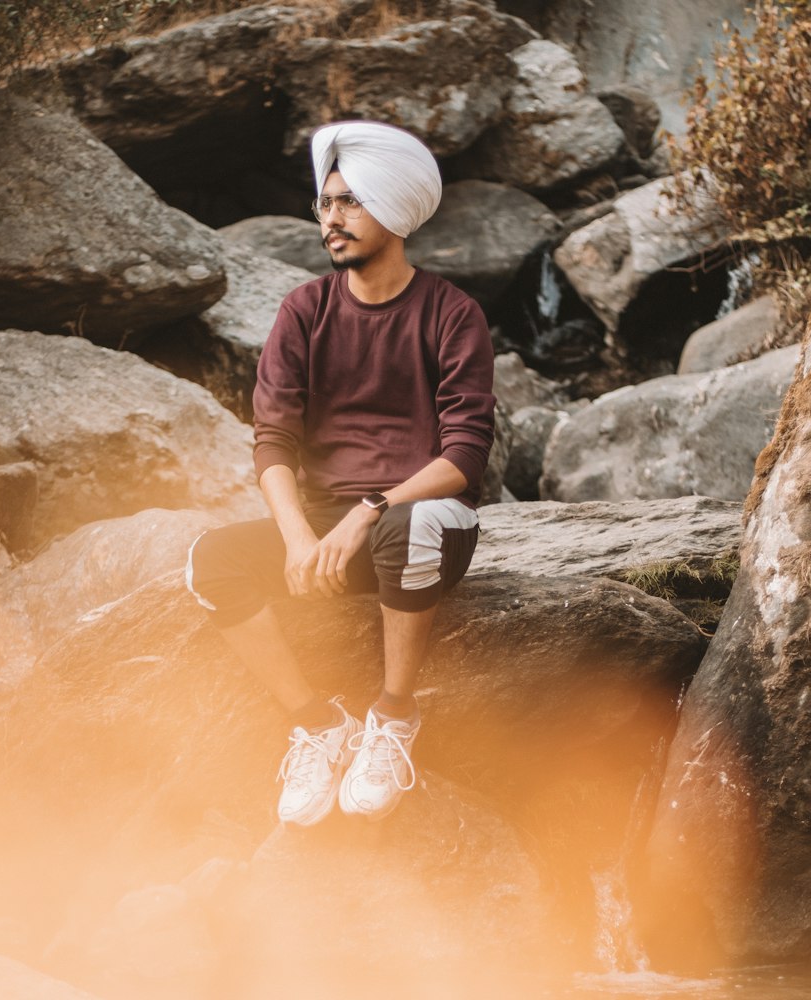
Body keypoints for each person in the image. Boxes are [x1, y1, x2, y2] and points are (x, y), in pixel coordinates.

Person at [186, 120, 495, 826]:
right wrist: (298, 538)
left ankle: (392, 715)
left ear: (394, 208)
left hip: (423, 524)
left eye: (351, 202)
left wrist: (367, 511)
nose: (333, 218)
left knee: (408, 529)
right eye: (326, 203)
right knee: (210, 563)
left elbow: (464, 458)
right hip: (327, 538)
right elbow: (272, 441)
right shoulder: (304, 311)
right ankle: (320, 725)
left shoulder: (453, 314)